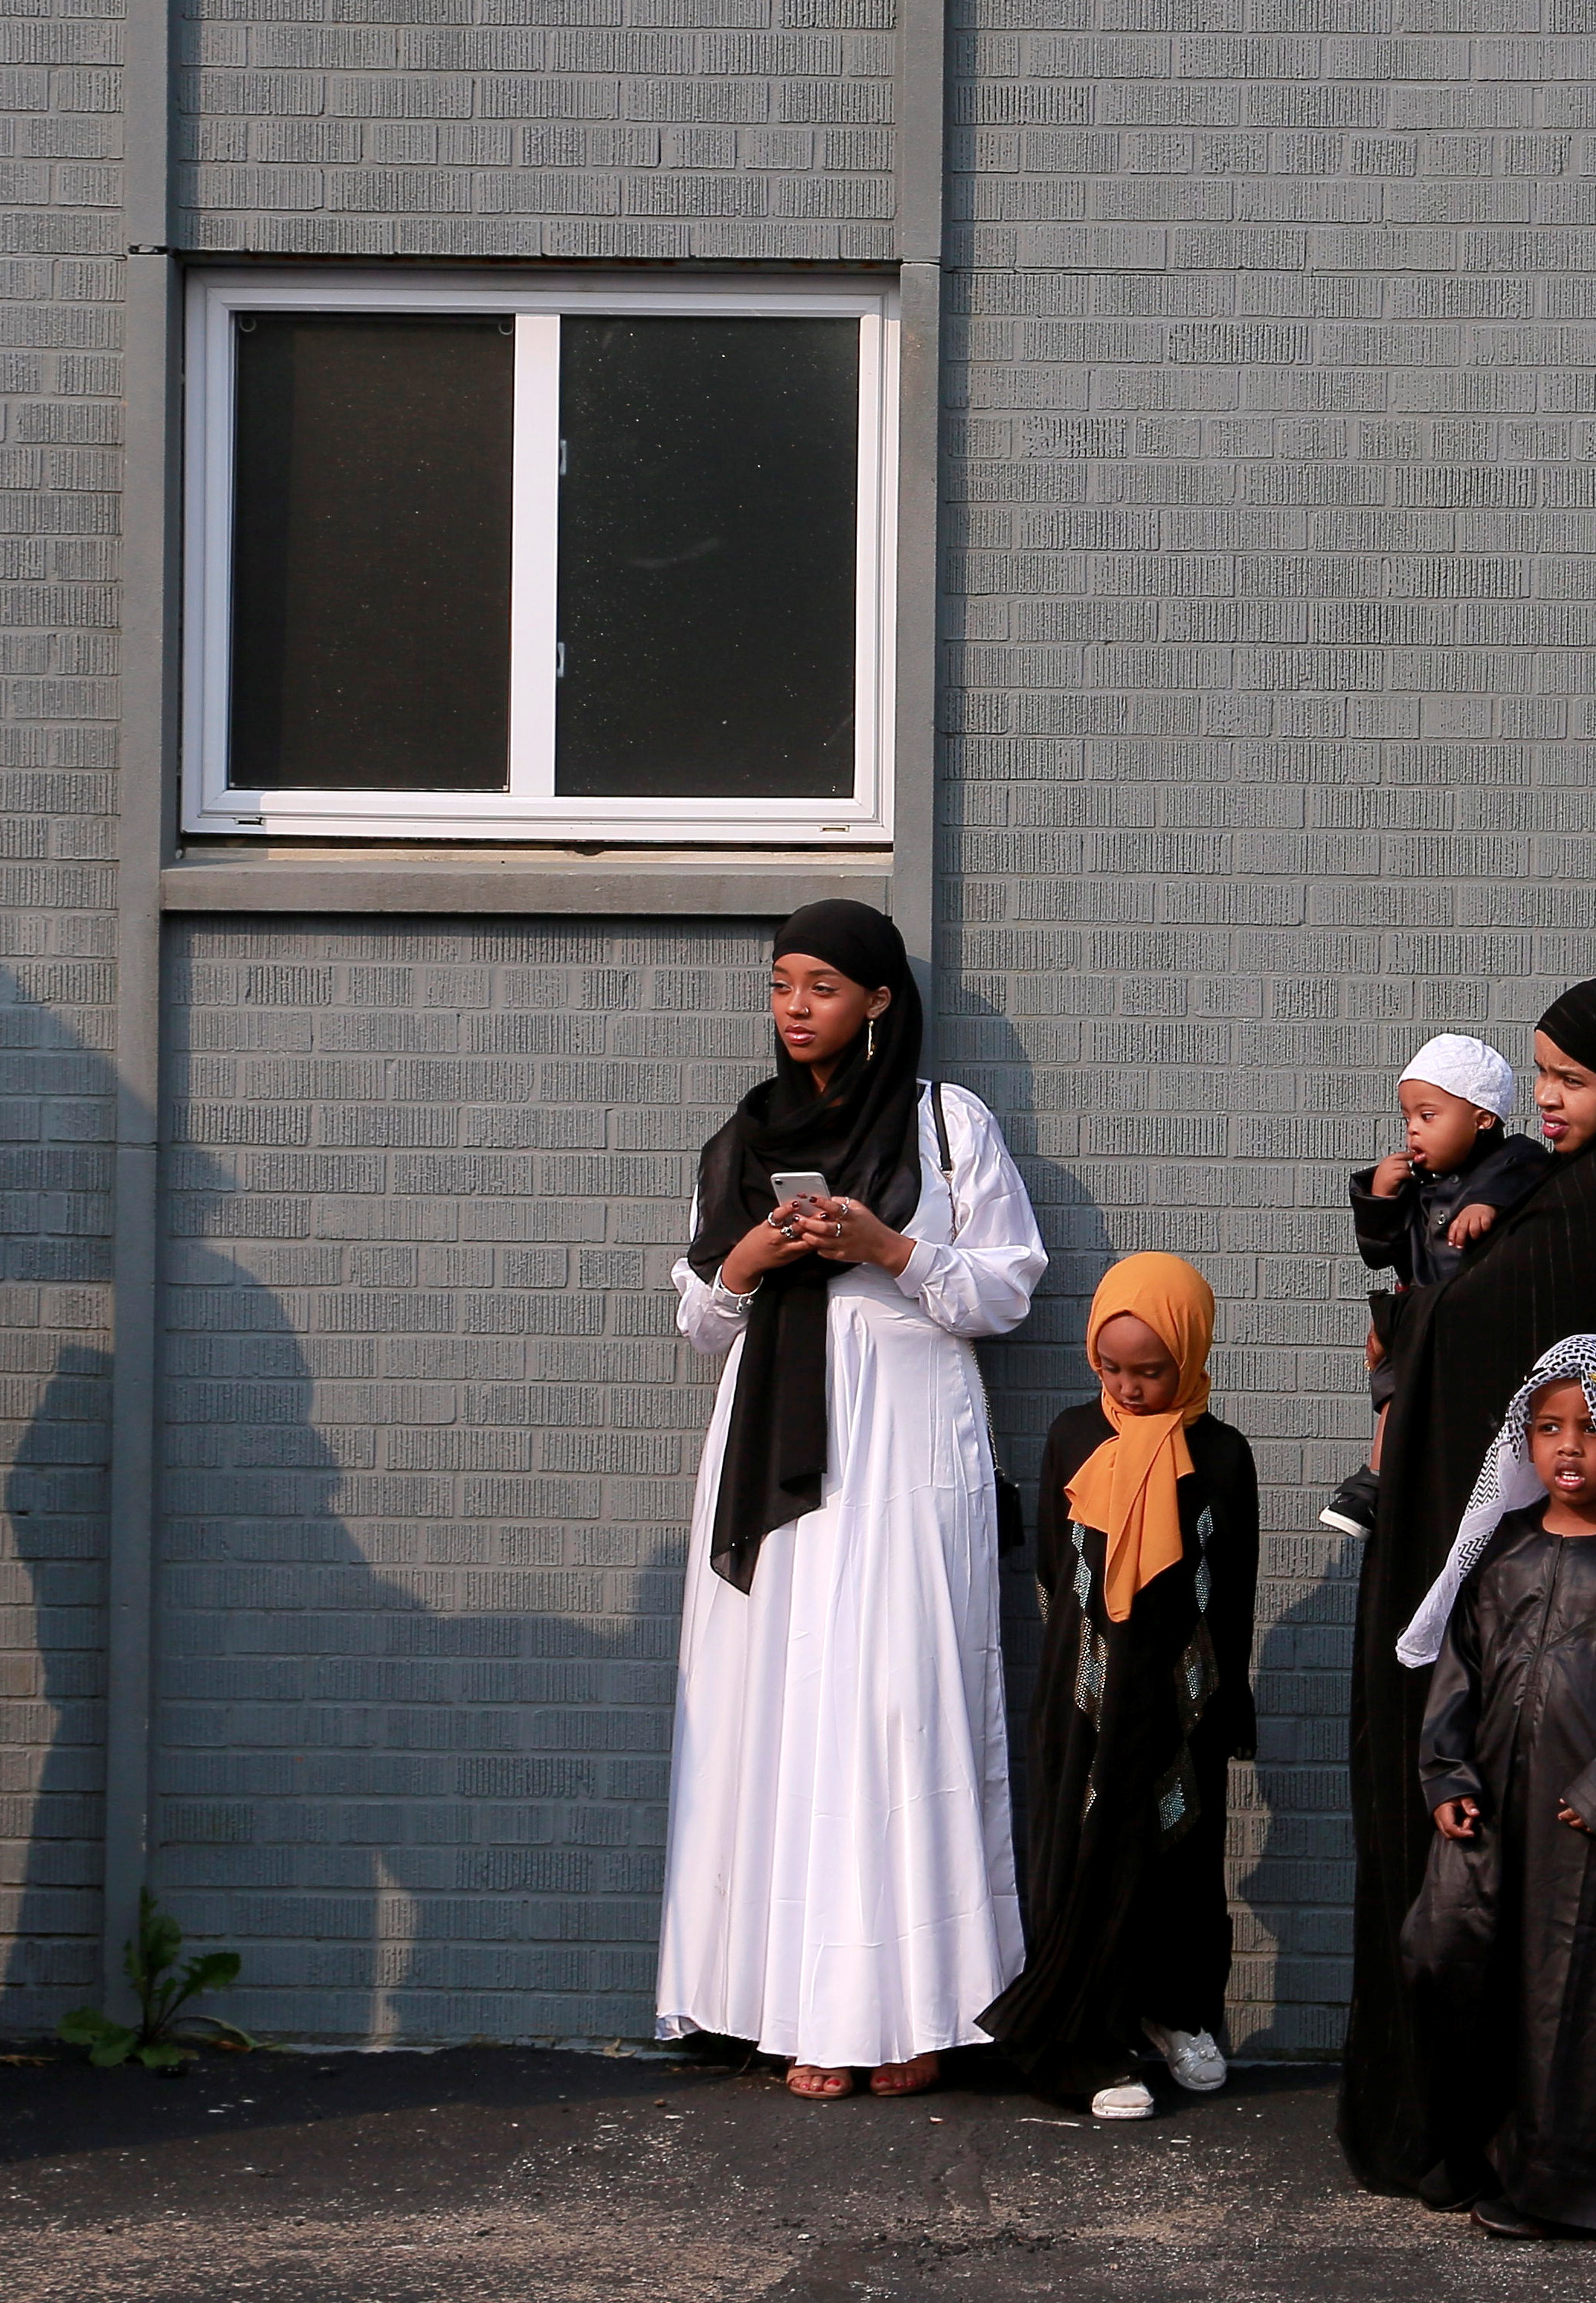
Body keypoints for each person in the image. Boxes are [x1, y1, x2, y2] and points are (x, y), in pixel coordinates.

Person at [1341, 973, 1596, 2208]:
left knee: (1561, 1904)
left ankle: (1549, 2147)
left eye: (1573, 1080)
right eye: (1541, 1074)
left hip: (1576, 1652)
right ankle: (1501, 2128)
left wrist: (1432, 1335)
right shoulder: (1562, 1197)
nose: (1547, 1101)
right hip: (1505, 1618)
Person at [657, 900, 1047, 2101]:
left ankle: (921, 2009)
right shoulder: (742, 1137)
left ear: (879, 999)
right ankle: (795, 2006)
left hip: (906, 1428)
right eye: (780, 984)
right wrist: (748, 1262)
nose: (794, 1006)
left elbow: (1007, 1293)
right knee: (780, 1709)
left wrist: (888, 1247)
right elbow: (698, 1319)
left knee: (900, 1707)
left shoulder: (946, 1125)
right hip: (772, 1444)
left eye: (820, 984)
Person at [1398, 1335, 1596, 2238]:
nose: (1568, 1445)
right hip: (1490, 1808)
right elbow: (1456, 1670)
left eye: (1588, 1427)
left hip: (1584, 1820)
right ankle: (1466, 2151)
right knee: (1444, 1947)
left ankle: (1572, 2187)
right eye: (1548, 1427)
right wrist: (1446, 1772)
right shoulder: (1500, 1550)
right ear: (1525, 1441)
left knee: (1572, 1996)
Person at [978, 1251, 1257, 2119]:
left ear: (1192, 1352)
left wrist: (1229, 1695)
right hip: (1087, 1696)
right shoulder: (1072, 1435)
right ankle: (1087, 2041)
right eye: (1112, 1368)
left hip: (1183, 1698)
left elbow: (1235, 1580)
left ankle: (1175, 2013)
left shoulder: (1221, 1451)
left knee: (1179, 1858)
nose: (1130, 1388)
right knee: (1088, 1855)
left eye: (1152, 1370)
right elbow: (1059, 1570)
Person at [1325, 1033, 1551, 1537]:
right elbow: (1380, 1255)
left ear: (1482, 1117)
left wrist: (1486, 1203)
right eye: (1408, 1118)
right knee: (1395, 1391)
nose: (1413, 1131)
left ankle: (1409, 1483)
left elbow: (1534, 1172)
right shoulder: (1419, 1191)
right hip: (1421, 1321)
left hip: (1480, 1332)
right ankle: (1378, 1481)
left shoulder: (1514, 1159)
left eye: (1428, 1116)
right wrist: (1380, 1197)